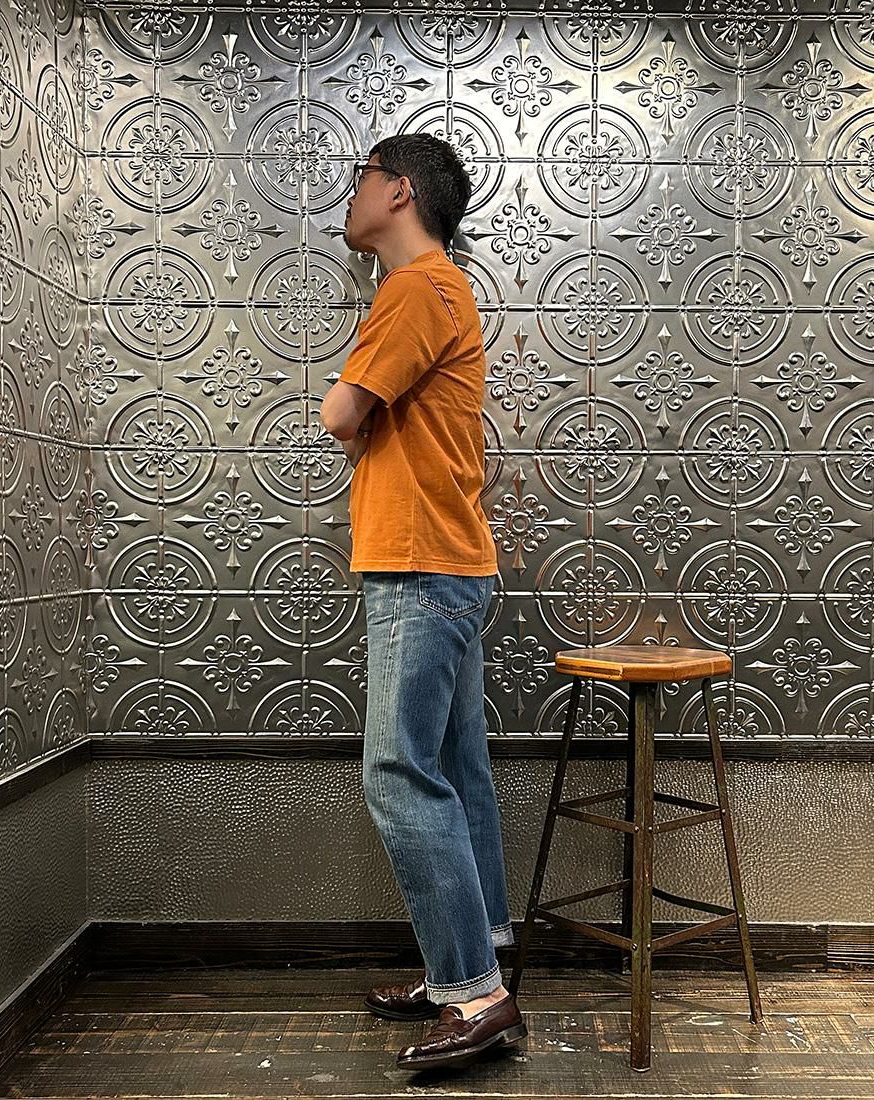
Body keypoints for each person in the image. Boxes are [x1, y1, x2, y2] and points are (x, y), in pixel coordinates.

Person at [319, 133, 527, 1071]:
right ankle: (471, 964)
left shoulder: (412, 290)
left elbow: (340, 414)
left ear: (398, 191)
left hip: (417, 566)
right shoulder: (448, 289)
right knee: (453, 769)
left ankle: (476, 994)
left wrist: (356, 422)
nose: (350, 197)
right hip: (453, 562)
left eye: (361, 180)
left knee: (400, 774)